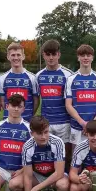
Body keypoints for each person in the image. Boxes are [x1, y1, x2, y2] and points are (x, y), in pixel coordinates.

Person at [12, 115, 70, 191]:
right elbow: (28, 176)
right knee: (14, 184)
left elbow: (59, 173)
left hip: (54, 176)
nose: (43, 136)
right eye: (39, 133)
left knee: (63, 185)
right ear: (32, 133)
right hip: (38, 175)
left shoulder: (57, 142)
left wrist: (34, 190)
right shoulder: (27, 147)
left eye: (46, 132)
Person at [36, 40, 75, 171]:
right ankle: (49, 186)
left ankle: (65, 185)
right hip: (46, 122)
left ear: (59, 54)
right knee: (48, 155)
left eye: (54, 54)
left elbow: (72, 101)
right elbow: (36, 99)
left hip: (64, 122)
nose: (51, 57)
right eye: (48, 54)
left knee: (66, 155)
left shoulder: (68, 74)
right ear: (44, 55)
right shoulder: (39, 76)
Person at [65, 44, 96, 152]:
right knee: (76, 159)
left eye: (88, 55)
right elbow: (68, 105)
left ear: (92, 57)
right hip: (77, 127)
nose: (85, 58)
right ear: (78, 57)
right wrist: (83, 123)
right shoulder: (71, 79)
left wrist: (93, 123)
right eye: (82, 55)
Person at [0, 42, 39, 122]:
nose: (16, 58)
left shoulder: (32, 78)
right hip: (8, 121)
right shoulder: (2, 78)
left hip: (26, 121)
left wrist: (29, 114)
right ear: (8, 57)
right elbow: (2, 101)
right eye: (13, 55)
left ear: (23, 56)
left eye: (18, 55)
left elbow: (36, 101)